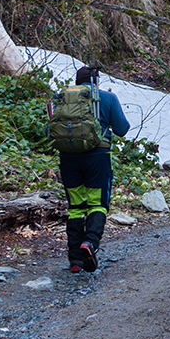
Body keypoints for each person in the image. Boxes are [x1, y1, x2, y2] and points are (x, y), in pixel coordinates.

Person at [57, 66, 130, 273]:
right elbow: (122, 129)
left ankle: (75, 261)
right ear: (95, 81)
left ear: (77, 82)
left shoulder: (63, 98)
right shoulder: (106, 98)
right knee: (97, 204)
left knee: (76, 207)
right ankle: (89, 243)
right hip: (97, 158)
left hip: (68, 158)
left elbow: (50, 130)